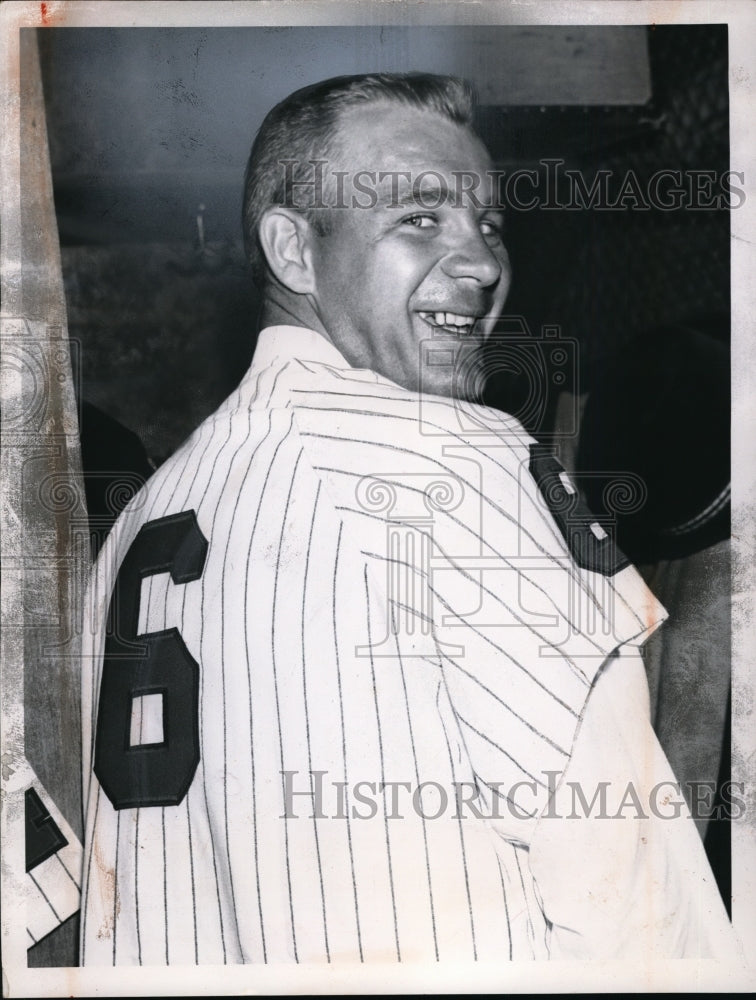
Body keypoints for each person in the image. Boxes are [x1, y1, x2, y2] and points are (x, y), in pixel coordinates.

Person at [78, 73, 739, 965]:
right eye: (420, 217)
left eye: (490, 223)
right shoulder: (457, 457)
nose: (482, 261)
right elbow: (631, 897)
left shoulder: (137, 525)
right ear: (294, 251)